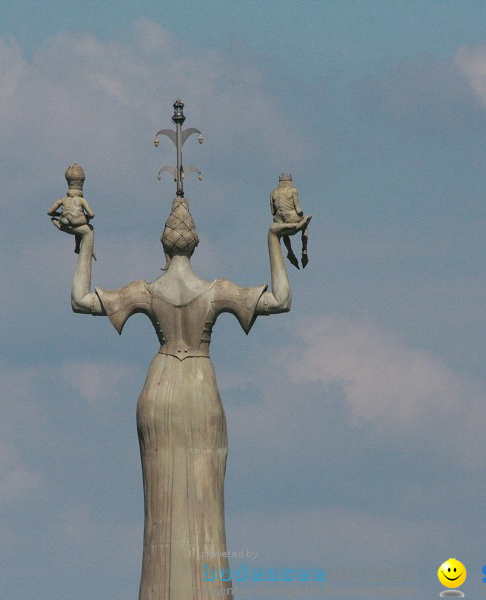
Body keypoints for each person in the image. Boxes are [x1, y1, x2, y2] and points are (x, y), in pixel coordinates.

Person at [67, 193, 308, 600]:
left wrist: (86, 240)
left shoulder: (146, 290)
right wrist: (274, 239)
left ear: (164, 247)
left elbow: (80, 300)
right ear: (195, 245)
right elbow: (281, 301)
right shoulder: (216, 292)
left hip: (160, 388)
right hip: (199, 384)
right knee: (205, 496)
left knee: (161, 507)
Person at [47, 163, 94, 255]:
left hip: (64, 224)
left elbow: (49, 212)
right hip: (76, 225)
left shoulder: (63, 200)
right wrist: (87, 216)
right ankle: (85, 248)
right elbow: (92, 214)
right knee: (89, 228)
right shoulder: (81, 200)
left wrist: (59, 214)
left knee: (77, 226)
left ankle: (77, 247)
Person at [270, 173, 309, 268]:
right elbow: (299, 210)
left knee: (284, 233)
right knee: (305, 224)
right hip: (292, 218)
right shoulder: (293, 190)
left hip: (278, 220)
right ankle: (304, 250)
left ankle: (290, 251)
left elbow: (272, 211)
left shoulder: (272, 192)